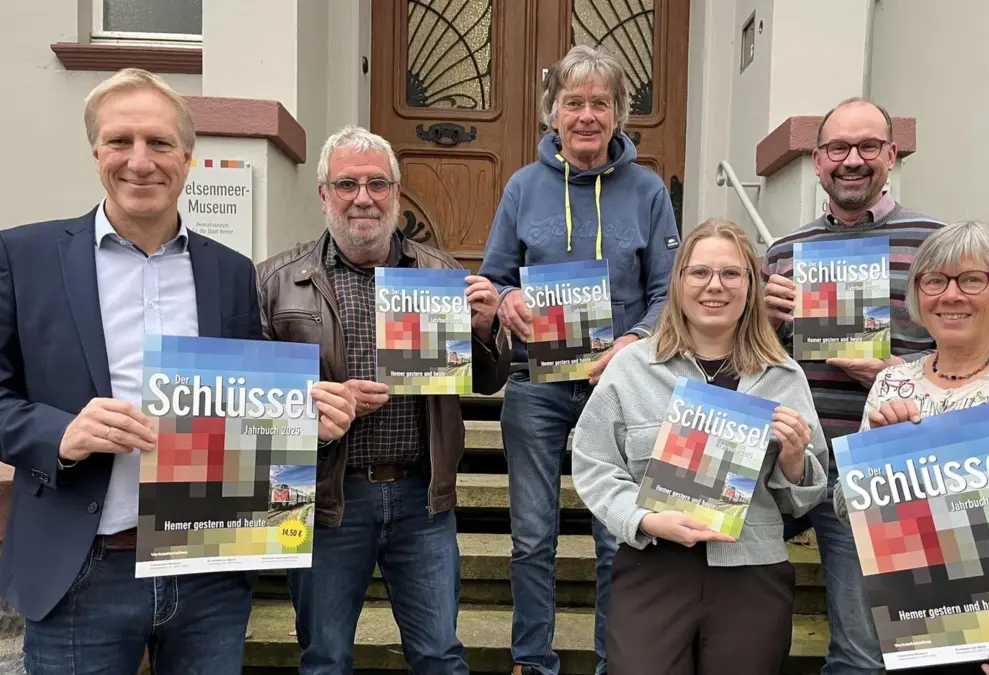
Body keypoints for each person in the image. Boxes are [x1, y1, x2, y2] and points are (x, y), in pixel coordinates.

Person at [0, 68, 357, 675]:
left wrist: (303, 423)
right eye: (120, 141)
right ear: (96, 154)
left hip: (208, 572)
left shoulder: (231, 271)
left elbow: (241, 410)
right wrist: (59, 434)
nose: (140, 161)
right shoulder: (23, 256)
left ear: (187, 158)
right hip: (82, 569)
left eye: (159, 143)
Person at [257, 125, 510, 675]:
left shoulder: (441, 274)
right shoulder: (276, 282)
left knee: (440, 655)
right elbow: (251, 405)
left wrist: (486, 328)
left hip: (422, 497)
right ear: (324, 194)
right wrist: (314, 406)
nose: (363, 198)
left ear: (396, 192)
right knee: (325, 658)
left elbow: (488, 382)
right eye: (347, 184)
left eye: (377, 184)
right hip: (328, 500)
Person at [477, 44, 680, 675]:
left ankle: (612, 661)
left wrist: (634, 340)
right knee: (532, 537)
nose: (586, 115)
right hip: (535, 385)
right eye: (573, 103)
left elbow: (667, 292)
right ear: (552, 113)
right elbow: (494, 276)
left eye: (600, 103)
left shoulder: (648, 189)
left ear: (618, 114)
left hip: (620, 387)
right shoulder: (522, 186)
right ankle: (532, 661)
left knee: (615, 536)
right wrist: (506, 300)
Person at [570, 219, 829, 673]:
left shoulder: (784, 376)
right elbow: (594, 465)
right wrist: (644, 518)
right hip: (654, 566)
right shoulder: (632, 368)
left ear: (750, 286)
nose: (715, 286)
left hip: (752, 574)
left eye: (731, 273)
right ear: (678, 282)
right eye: (700, 272)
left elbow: (801, 499)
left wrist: (794, 460)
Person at [835, 220, 989, 675]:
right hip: (918, 631)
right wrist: (875, 454)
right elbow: (852, 514)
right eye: (935, 281)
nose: (951, 295)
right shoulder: (893, 383)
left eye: (971, 279)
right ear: (918, 293)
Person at [761, 96, 946, 674]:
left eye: (868, 146)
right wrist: (760, 322)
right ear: (817, 160)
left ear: (891, 155)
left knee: (865, 652)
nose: (852, 160)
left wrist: (893, 373)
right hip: (789, 459)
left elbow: (973, 359)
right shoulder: (784, 252)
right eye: (838, 148)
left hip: (880, 465)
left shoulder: (935, 243)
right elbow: (755, 361)